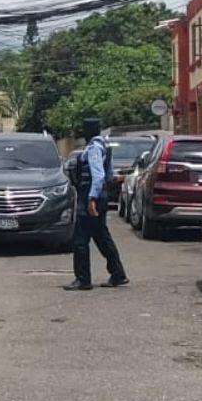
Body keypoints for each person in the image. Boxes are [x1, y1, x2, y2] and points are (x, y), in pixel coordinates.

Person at [64, 118, 128, 291]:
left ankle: (83, 279)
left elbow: (98, 176)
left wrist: (91, 199)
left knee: (80, 240)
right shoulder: (104, 146)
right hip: (100, 197)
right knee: (101, 237)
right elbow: (108, 176)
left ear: (88, 131)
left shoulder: (93, 148)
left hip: (90, 198)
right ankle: (118, 273)